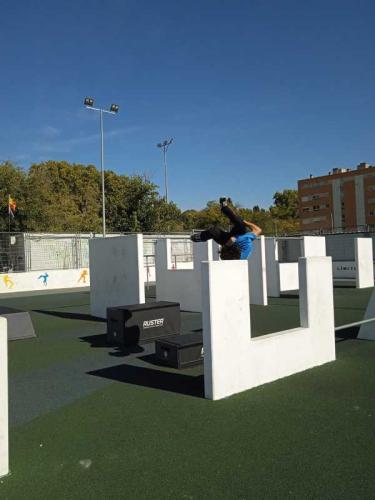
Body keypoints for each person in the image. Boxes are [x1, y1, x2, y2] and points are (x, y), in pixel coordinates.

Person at [190, 197, 262, 260]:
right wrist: (245, 222)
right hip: (238, 234)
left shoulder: (238, 257)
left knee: (214, 231)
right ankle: (224, 207)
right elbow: (259, 230)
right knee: (238, 221)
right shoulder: (248, 237)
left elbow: (223, 254)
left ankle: (199, 237)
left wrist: (228, 243)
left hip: (228, 243)